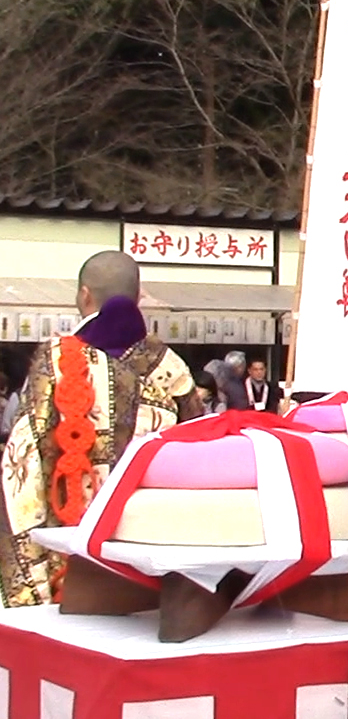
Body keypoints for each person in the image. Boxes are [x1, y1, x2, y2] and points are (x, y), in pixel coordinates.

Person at [0, 250, 205, 606]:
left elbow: (25, 464)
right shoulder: (173, 368)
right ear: (138, 297)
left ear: (84, 295)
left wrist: (25, 581)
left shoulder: (58, 361)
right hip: (150, 555)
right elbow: (198, 457)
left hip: (72, 552)